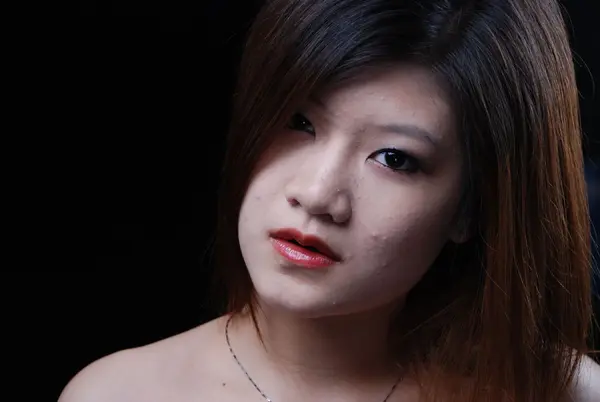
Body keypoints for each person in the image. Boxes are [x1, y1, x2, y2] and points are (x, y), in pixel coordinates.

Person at [59, 0, 600, 401]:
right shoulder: (119, 393)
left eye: (394, 158)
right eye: (300, 123)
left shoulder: (556, 391)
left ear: (470, 208)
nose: (318, 195)